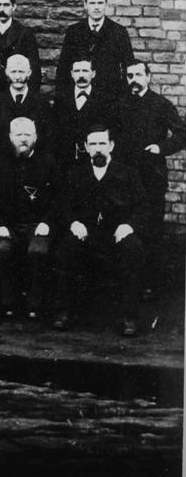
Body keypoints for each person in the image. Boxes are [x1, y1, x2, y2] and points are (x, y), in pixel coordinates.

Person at [52, 125, 145, 337]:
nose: (98, 149)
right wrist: (73, 222)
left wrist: (128, 225)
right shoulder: (76, 174)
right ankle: (63, 311)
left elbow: (143, 206)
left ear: (111, 145)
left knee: (134, 249)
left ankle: (129, 316)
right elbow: (64, 205)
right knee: (66, 249)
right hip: (86, 232)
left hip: (116, 232)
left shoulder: (128, 173)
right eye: (92, 144)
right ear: (85, 147)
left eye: (102, 143)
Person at [114, 60, 186, 297]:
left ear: (148, 76)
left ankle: (148, 283)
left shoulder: (161, 104)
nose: (133, 79)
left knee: (151, 228)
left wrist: (161, 148)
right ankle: (124, 281)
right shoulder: (120, 103)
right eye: (129, 75)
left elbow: (181, 134)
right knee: (125, 224)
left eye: (138, 74)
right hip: (125, 175)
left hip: (151, 175)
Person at [0, 117, 59, 319]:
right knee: (0, 250)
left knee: (38, 250)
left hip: (37, 226)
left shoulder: (48, 162)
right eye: (18, 135)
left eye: (27, 135)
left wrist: (46, 222)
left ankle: (35, 303)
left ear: (35, 137)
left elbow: (58, 199)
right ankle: (8, 301)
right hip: (8, 226)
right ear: (10, 137)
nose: (23, 139)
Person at [56, 0, 134, 99]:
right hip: (80, 95)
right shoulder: (74, 31)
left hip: (109, 97)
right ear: (85, 5)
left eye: (100, 3)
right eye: (92, 3)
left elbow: (129, 67)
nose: (96, 7)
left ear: (106, 5)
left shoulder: (119, 32)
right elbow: (63, 68)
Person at [52, 57, 117, 169]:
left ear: (93, 73)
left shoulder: (105, 99)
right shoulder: (61, 98)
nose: (81, 75)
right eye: (77, 71)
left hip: (93, 160)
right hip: (65, 160)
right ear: (72, 74)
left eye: (85, 71)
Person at [0, 54, 51, 150]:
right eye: (13, 72)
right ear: (6, 72)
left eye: (21, 72)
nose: (17, 77)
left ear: (29, 72)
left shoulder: (41, 102)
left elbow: (48, 141)